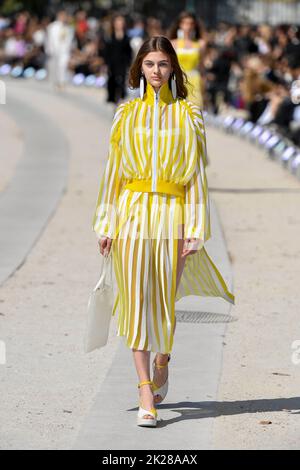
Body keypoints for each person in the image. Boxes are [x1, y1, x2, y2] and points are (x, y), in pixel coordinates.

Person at [92, 36, 235, 427]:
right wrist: (106, 224)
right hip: (133, 215)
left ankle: (162, 361)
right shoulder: (126, 115)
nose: (157, 71)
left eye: (163, 64)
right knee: (137, 300)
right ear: (141, 68)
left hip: (172, 213)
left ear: (173, 68)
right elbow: (113, 173)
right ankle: (144, 389)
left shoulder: (189, 115)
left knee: (164, 302)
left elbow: (197, 178)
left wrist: (196, 228)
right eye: (150, 64)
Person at [169, 11, 206, 108]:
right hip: (178, 80)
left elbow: (202, 66)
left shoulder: (201, 44)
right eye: (185, 23)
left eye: (191, 23)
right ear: (180, 25)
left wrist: (204, 86)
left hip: (194, 81)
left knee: (195, 110)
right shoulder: (173, 44)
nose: (188, 26)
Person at [45, 9, 74, 91]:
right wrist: (50, 49)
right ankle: (56, 81)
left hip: (65, 51)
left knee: (63, 65)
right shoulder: (52, 26)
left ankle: (61, 82)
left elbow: (70, 40)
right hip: (55, 51)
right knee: (55, 66)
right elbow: (49, 39)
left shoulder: (68, 27)